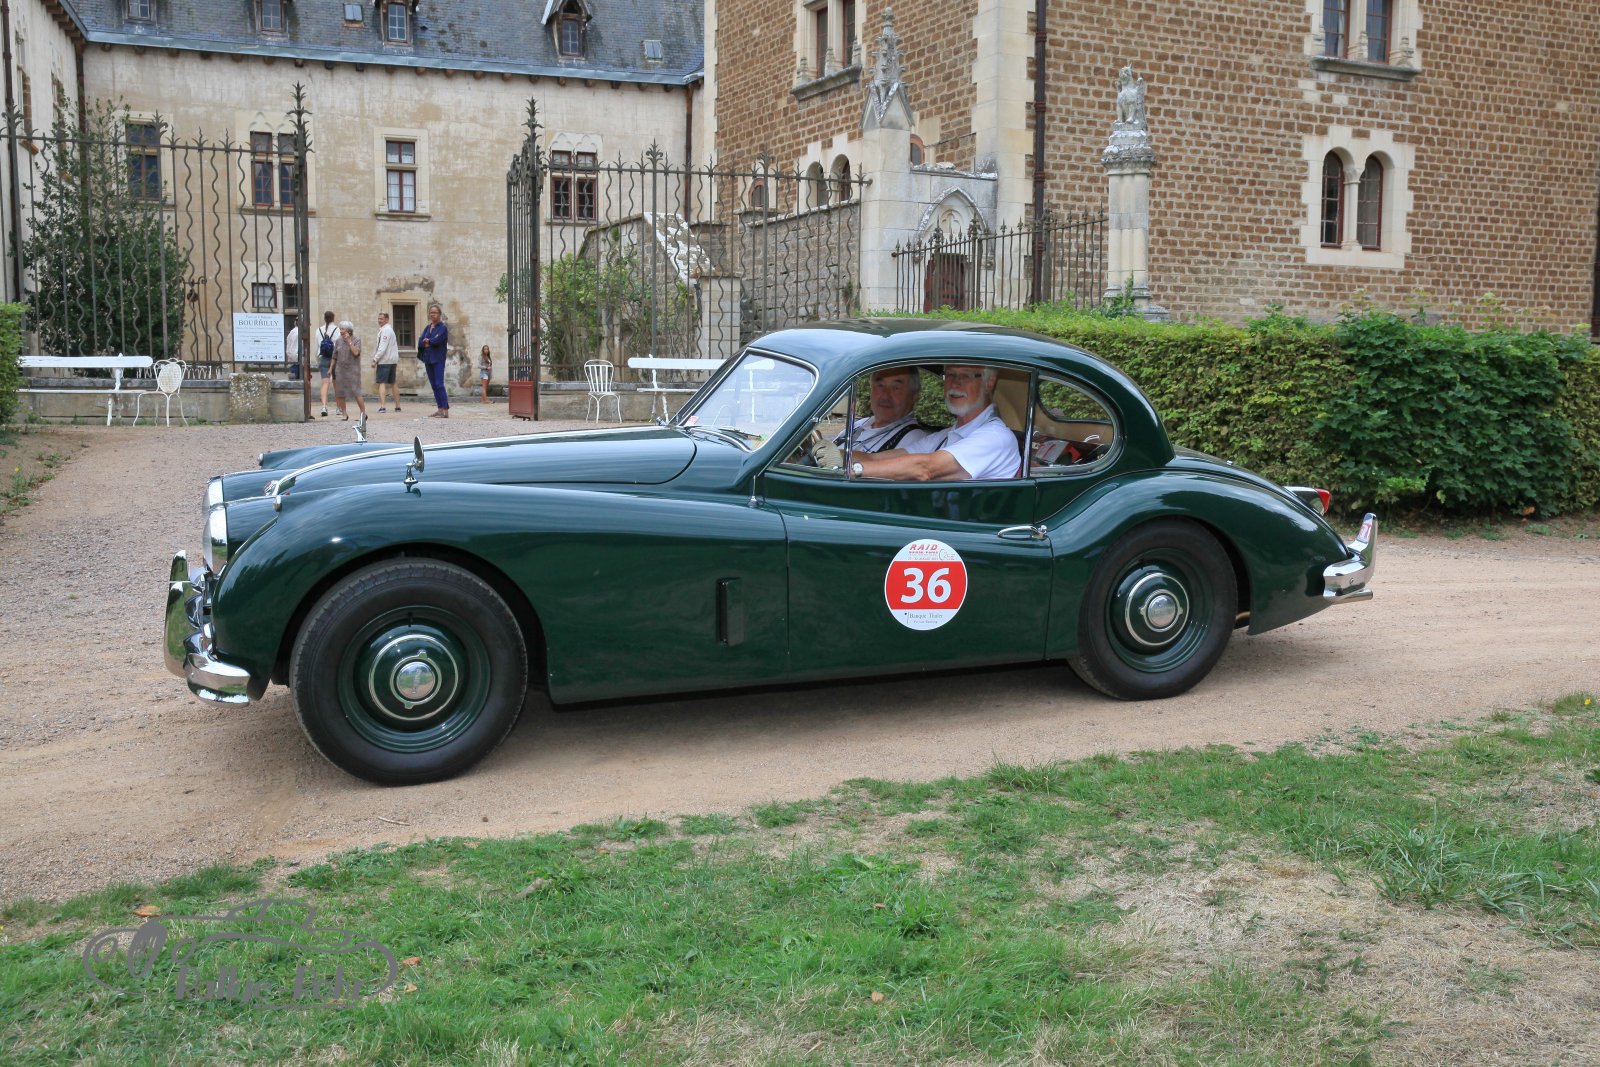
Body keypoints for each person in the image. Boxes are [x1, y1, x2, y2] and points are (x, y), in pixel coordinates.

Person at [850, 364, 1020, 481]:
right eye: (950, 375)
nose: (955, 384)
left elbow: (926, 469)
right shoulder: (946, 435)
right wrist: (839, 456)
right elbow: (875, 458)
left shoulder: (996, 436)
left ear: (989, 383)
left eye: (966, 376)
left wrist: (854, 470)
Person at [836, 366, 933, 453]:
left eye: (896, 388)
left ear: (914, 396)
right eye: (880, 385)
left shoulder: (914, 440)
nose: (885, 395)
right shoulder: (858, 425)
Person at [417, 303, 450, 418]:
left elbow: (437, 340)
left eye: (435, 313)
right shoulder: (427, 327)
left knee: (439, 384)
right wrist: (427, 342)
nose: (433, 315)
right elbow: (420, 341)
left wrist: (429, 341)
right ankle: (439, 409)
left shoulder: (443, 328)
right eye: (431, 313)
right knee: (434, 385)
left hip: (438, 359)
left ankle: (445, 410)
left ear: (439, 314)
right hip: (428, 359)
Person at [331, 320, 367, 421]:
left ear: (349, 330)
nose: (341, 331)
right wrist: (330, 368)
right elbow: (334, 356)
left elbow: (356, 353)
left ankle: (363, 413)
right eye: (340, 329)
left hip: (353, 370)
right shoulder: (338, 341)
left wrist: (349, 341)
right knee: (340, 392)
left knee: (356, 392)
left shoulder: (357, 340)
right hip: (340, 370)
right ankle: (344, 414)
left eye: (343, 329)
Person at [372, 311, 400, 412]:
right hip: (392, 360)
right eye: (379, 318)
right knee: (393, 382)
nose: (379, 320)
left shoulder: (386, 330)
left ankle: (383, 406)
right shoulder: (388, 330)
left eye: (381, 319)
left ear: (387, 320)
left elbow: (382, 347)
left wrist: (375, 359)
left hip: (385, 360)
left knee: (382, 382)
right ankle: (397, 406)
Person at [315, 311, 339, 416]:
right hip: (335, 359)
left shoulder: (318, 330)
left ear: (324, 318)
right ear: (333, 318)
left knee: (325, 383)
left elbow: (316, 348)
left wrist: (318, 359)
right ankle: (339, 407)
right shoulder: (337, 330)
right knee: (336, 384)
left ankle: (324, 406)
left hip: (323, 358)